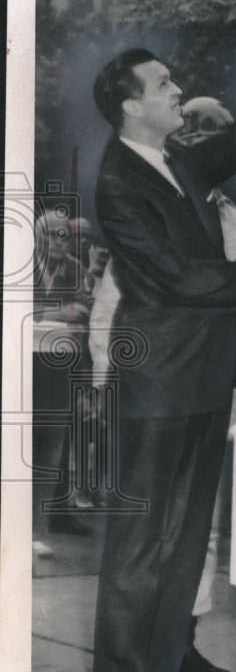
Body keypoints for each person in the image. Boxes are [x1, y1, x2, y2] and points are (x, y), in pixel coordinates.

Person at [88, 0, 236, 672]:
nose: (177, 92)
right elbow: (173, 277)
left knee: (184, 544)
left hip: (205, 380)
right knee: (140, 548)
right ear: (130, 107)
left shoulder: (172, 160)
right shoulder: (118, 183)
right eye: (164, 85)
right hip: (158, 386)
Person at [33, 209, 95, 558]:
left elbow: (85, 315)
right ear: (37, 235)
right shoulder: (19, 264)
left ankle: (36, 530)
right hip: (23, 367)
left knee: (50, 453)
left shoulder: (75, 268)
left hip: (59, 371)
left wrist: (83, 385)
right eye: (52, 234)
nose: (60, 241)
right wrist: (60, 312)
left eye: (64, 235)